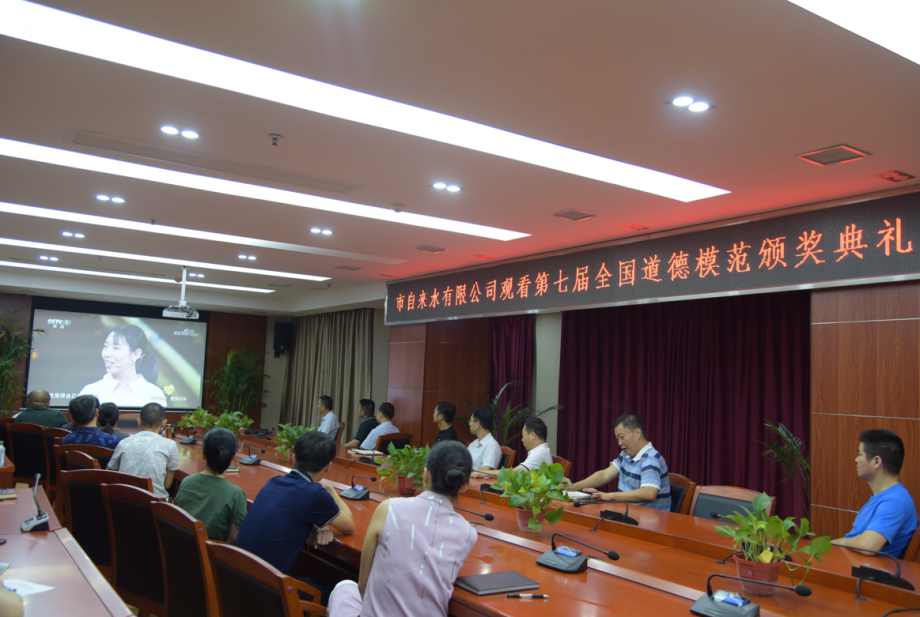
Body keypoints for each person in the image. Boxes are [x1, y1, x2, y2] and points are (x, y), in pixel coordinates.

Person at [328, 441, 477, 617]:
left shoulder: (389, 509)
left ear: (425, 475)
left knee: (345, 588)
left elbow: (363, 587)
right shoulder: (469, 534)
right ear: (465, 484)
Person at [236, 431, 355, 602]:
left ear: (293, 458)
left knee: (314, 582)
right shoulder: (315, 494)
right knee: (340, 595)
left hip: (240, 578)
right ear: (328, 466)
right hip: (268, 592)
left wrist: (322, 525)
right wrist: (330, 490)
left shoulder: (274, 482)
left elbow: (296, 512)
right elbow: (349, 526)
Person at [833, 429, 918, 557]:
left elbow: (868, 546)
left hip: (863, 568)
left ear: (876, 461)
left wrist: (841, 542)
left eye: (860, 454)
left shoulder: (893, 502)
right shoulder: (886, 497)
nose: (856, 459)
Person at [565, 414, 671, 511]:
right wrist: (573, 487)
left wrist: (609, 496)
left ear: (637, 433)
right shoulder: (626, 454)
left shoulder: (650, 458)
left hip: (648, 520)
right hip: (627, 513)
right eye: (617, 438)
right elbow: (605, 475)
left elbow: (649, 493)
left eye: (622, 437)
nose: (619, 443)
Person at [174, 428, 247, 543]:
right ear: (233, 458)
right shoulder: (236, 493)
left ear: (203, 455)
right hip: (211, 553)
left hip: (182, 547)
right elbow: (234, 538)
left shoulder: (187, 481)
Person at [79, 324, 167, 407]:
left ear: (136, 354)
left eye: (116, 348)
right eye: (105, 346)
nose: (107, 354)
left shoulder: (154, 394)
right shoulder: (90, 391)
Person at [107, 403, 179, 499]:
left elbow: (108, 473)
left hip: (124, 502)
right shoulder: (170, 445)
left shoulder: (124, 443)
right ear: (164, 423)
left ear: (139, 422)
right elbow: (167, 485)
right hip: (155, 503)